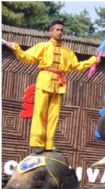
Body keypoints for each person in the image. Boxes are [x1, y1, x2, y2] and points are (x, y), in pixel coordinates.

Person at [7, 20, 99, 154]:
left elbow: (77, 66)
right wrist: (17, 49)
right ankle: (38, 143)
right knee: (39, 112)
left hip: (59, 84)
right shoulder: (43, 46)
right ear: (51, 31)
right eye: (57, 29)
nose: (60, 32)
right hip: (44, 80)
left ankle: (49, 144)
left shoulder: (67, 51)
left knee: (53, 115)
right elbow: (28, 57)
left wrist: (93, 60)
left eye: (62, 30)